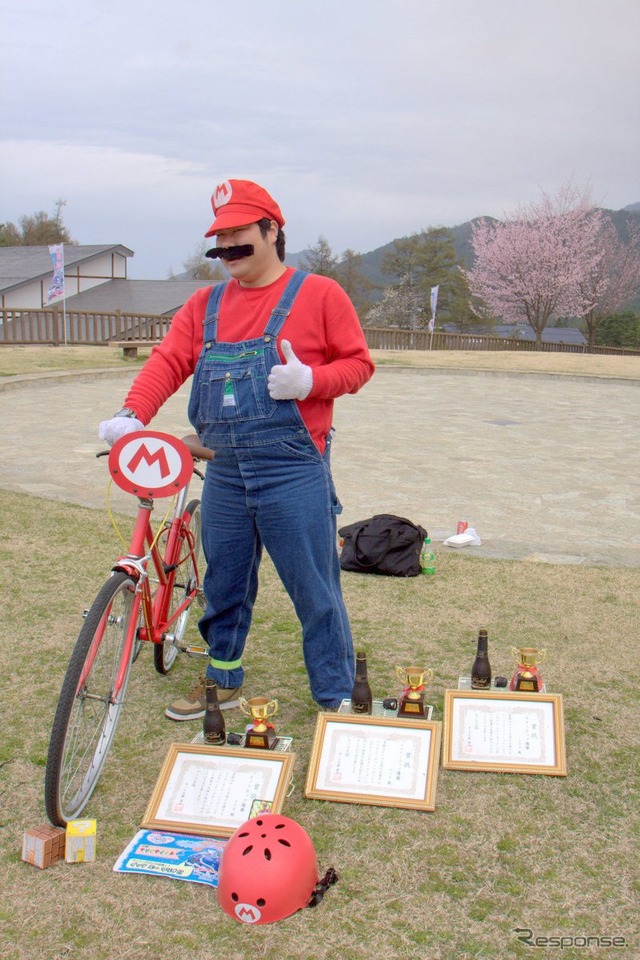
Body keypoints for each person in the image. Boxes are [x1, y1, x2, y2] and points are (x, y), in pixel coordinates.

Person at [99, 178, 375, 719]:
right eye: (219, 241)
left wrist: (310, 381)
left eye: (239, 237)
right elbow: (168, 361)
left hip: (293, 469)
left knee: (314, 588)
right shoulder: (205, 303)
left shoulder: (320, 294)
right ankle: (221, 676)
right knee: (223, 581)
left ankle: (335, 692)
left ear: (273, 229)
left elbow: (359, 364)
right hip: (222, 470)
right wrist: (132, 414)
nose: (226, 251)